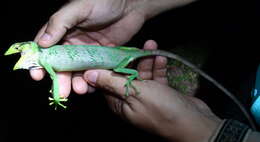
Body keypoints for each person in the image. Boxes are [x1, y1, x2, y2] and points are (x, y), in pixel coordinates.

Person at [30, 0, 260, 141]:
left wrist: (211, 134)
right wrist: (131, 4)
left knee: (126, 73)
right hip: (248, 85)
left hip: (125, 57)